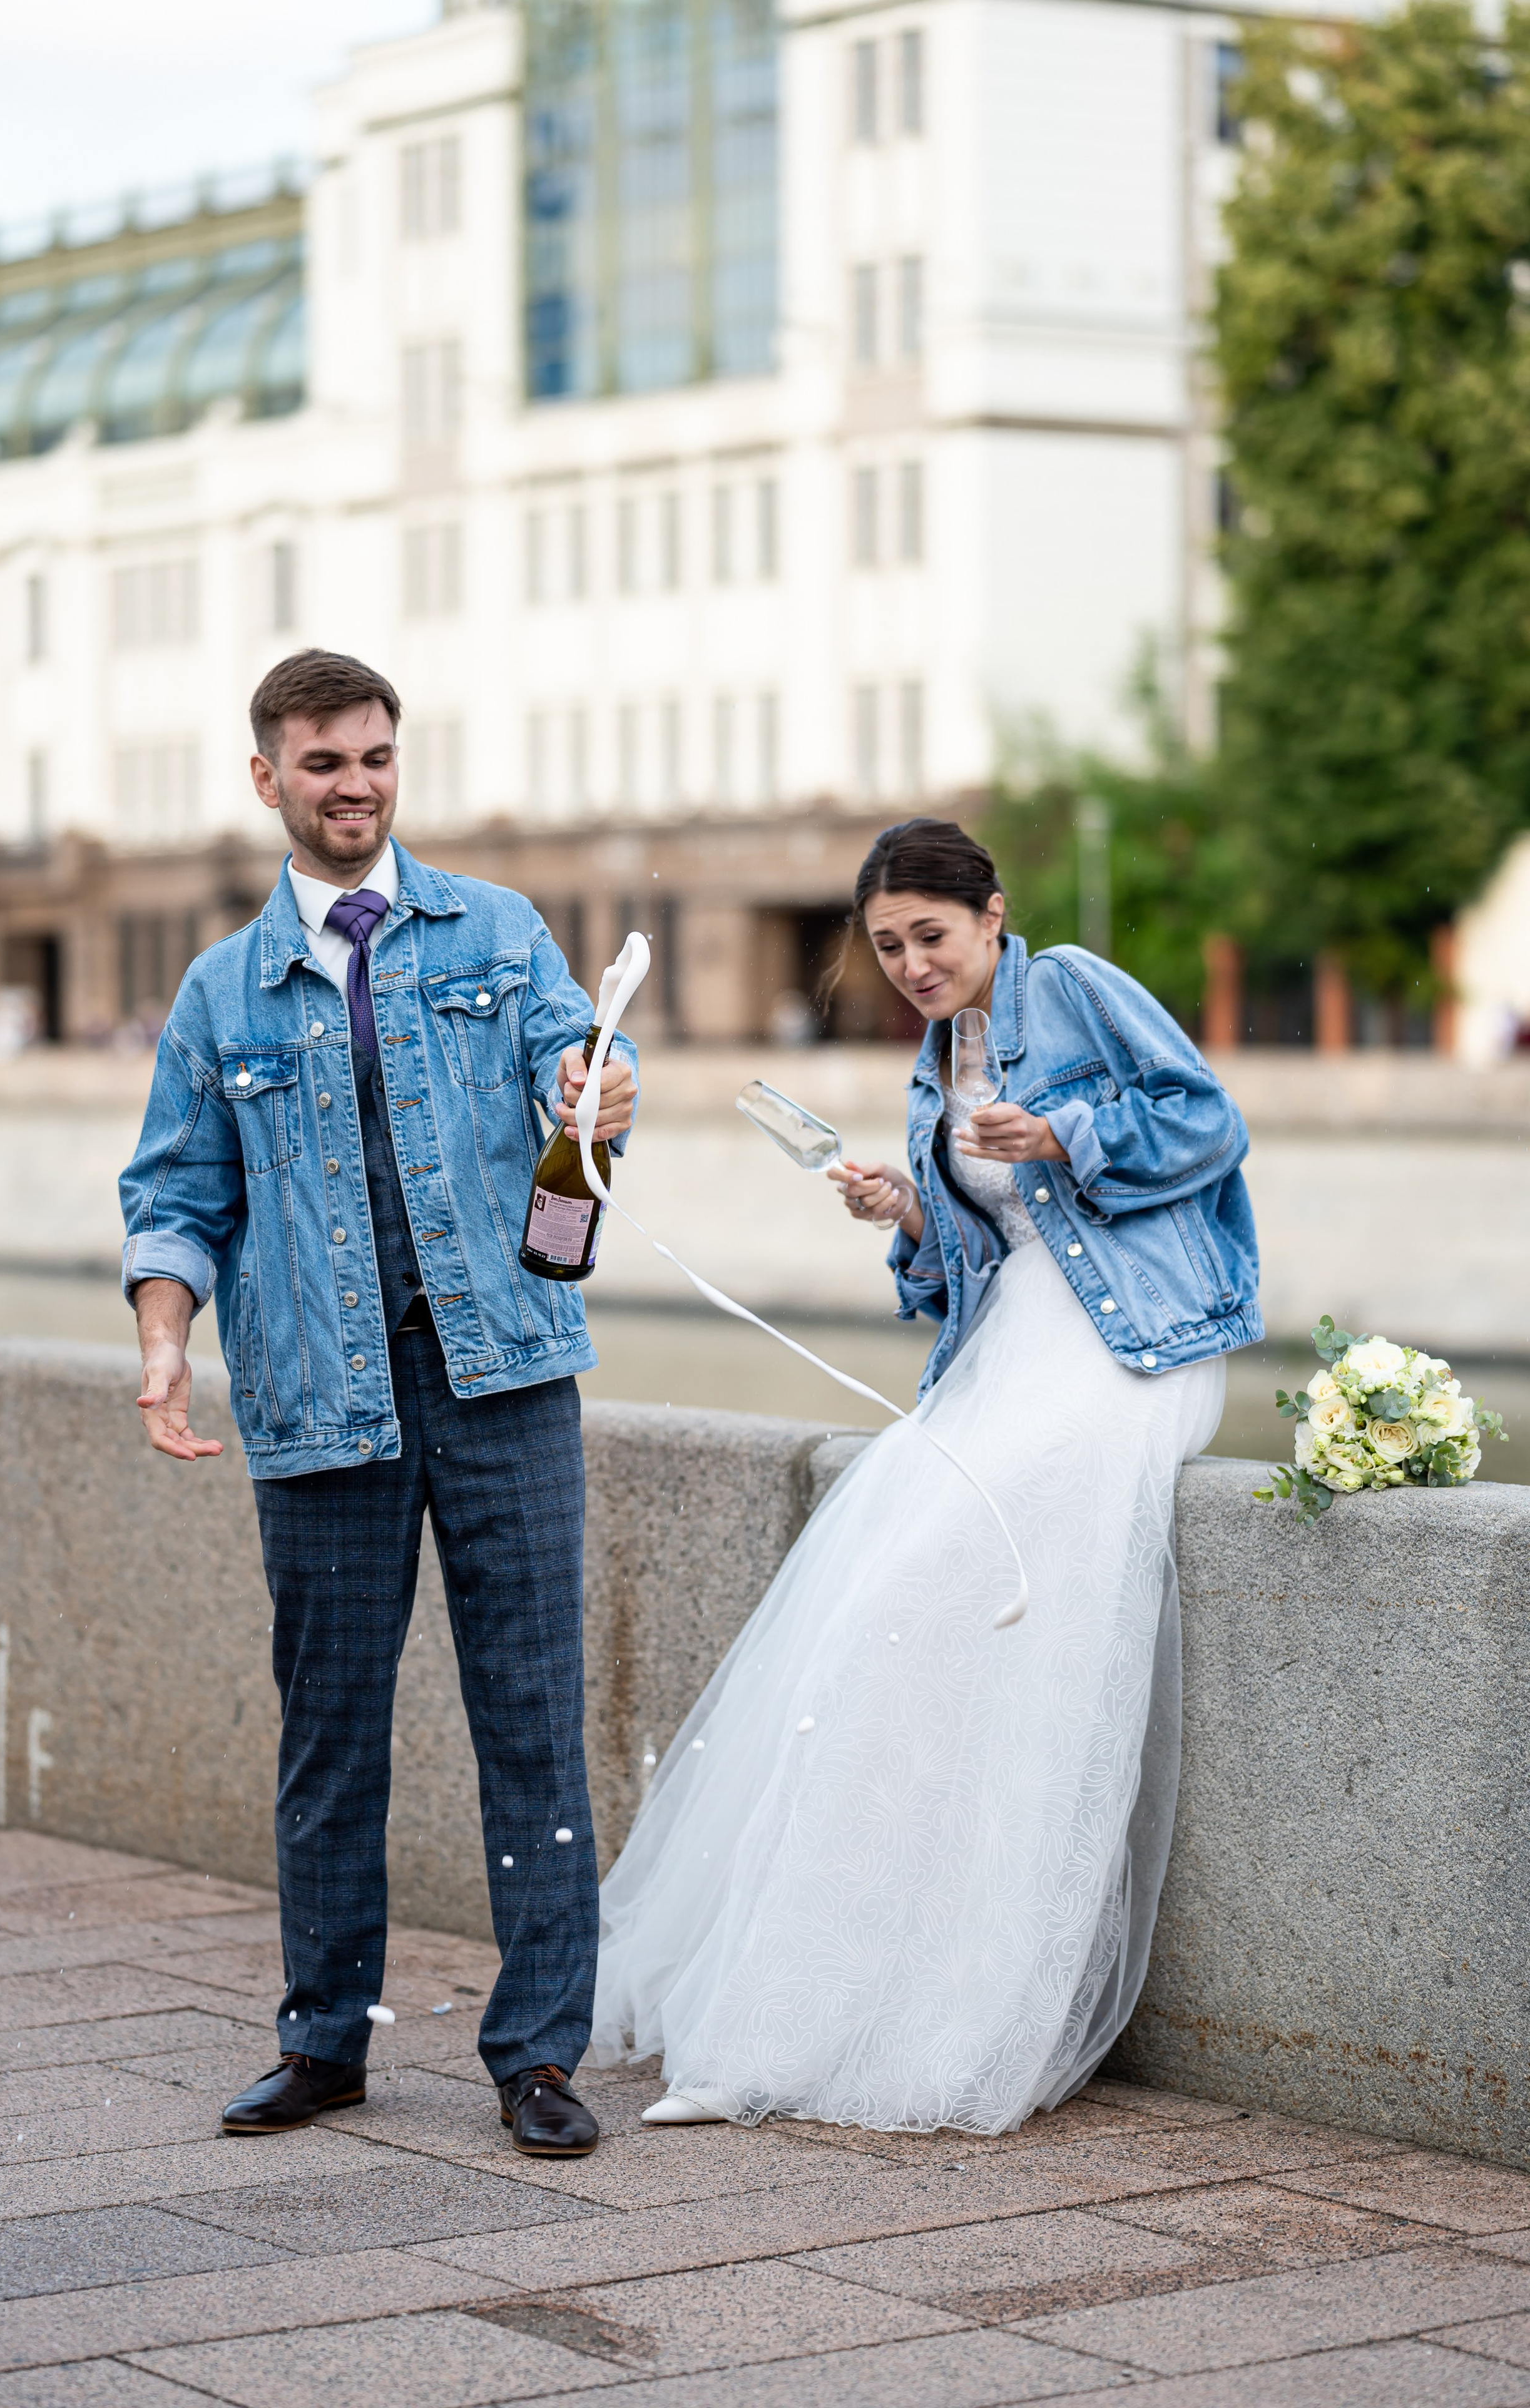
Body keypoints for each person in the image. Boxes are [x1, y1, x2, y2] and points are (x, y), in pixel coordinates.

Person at [591, 817, 1259, 2132]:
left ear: (992, 914)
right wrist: (909, 1210)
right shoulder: (926, 1063)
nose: (908, 962)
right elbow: (979, 1257)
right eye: (887, 944)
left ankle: (939, 2011)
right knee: (868, 1619)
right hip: (1012, 1353)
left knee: (937, 1581)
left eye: (929, 935)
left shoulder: (1066, 982)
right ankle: (790, 2015)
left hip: (1130, 1348)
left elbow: (1206, 1121)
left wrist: (1060, 1133)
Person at [120, 648, 636, 2155]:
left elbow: (576, 1068)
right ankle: (325, 2038)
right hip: (314, 1396)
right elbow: (173, 1194)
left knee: (530, 1719)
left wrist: (600, 1095)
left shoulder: (500, 926)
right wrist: (165, 1340)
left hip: (504, 1374)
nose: (356, 786)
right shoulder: (221, 989)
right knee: (330, 1730)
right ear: (268, 778)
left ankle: (537, 2054)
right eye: (325, 763)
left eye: (377, 759)